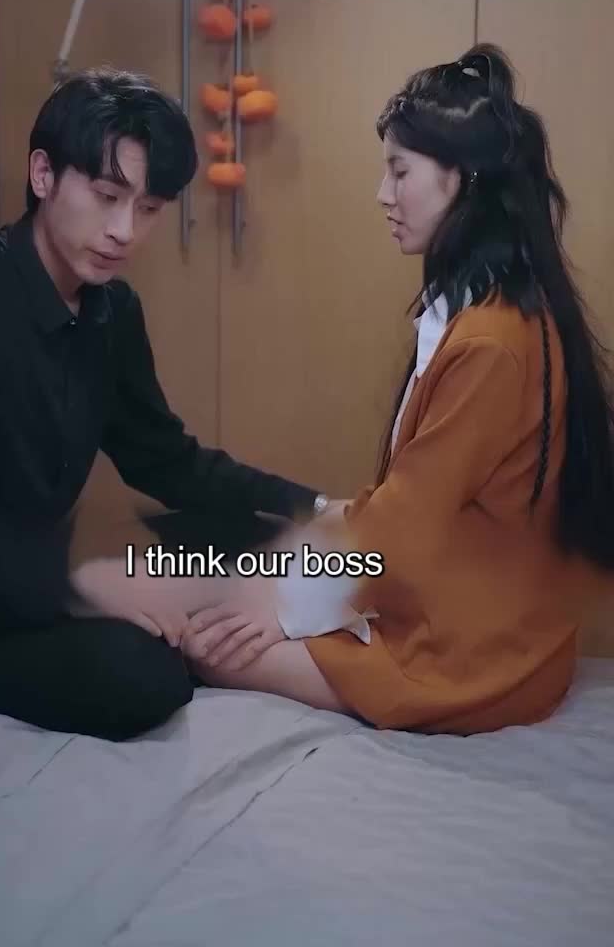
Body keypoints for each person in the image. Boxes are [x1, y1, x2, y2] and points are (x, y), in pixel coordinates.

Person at [172, 44, 614, 734]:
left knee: (208, 642)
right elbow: (407, 505)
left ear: (462, 180)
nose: (384, 194)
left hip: (475, 658)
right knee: (242, 589)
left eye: (399, 171)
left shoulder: (491, 340)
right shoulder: (496, 311)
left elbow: (404, 522)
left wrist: (284, 607)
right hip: (490, 622)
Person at [0, 68, 339, 740]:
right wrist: (84, 588)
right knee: (143, 673)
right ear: (43, 175)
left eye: (149, 209)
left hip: (40, 584)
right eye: (107, 197)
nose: (125, 231)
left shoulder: (112, 311)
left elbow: (168, 460)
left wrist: (314, 508)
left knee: (253, 550)